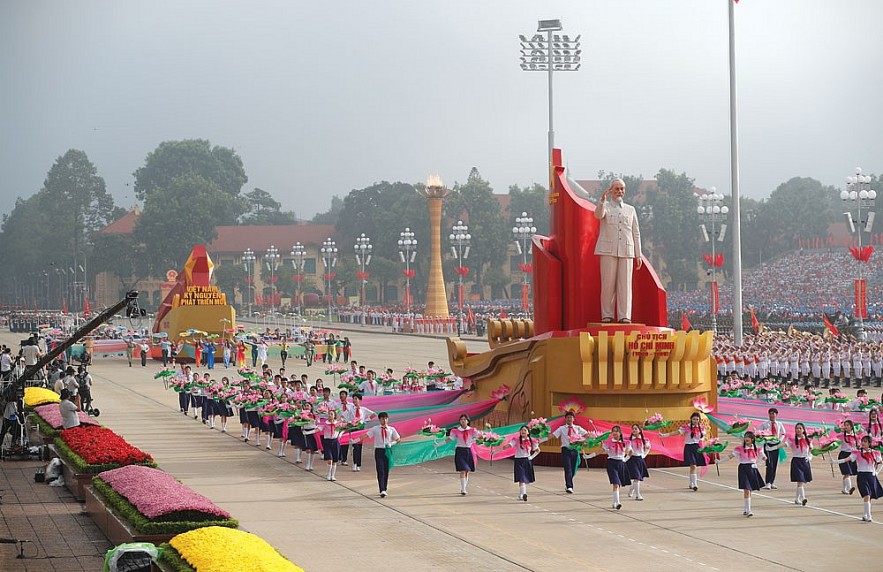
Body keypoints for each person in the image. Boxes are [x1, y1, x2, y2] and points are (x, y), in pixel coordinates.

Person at [593, 178, 642, 323]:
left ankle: (624, 316)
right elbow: (598, 215)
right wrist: (602, 201)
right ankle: (607, 315)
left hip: (627, 250)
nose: (619, 191)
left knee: (625, 285)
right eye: (616, 189)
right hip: (608, 250)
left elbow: (636, 232)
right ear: (611, 190)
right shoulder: (606, 206)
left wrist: (638, 254)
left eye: (622, 189)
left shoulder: (630, 209)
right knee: (608, 284)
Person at [831, 435, 883, 521]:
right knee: (866, 495)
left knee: (869, 496)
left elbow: (880, 463)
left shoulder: (875, 453)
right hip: (861, 476)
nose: (863, 443)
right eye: (862, 441)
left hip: (871, 476)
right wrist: (835, 462)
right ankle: (869, 516)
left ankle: (866, 515)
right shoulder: (857, 452)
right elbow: (847, 459)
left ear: (869, 443)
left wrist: (876, 472)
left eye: (865, 441)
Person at [716, 431, 766, 517]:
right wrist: (720, 461)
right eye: (745, 437)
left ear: (752, 439)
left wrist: (758, 464)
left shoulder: (757, 448)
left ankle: (746, 508)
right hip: (743, 468)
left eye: (748, 437)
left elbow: (765, 458)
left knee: (750, 490)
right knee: (746, 489)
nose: (746, 438)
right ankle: (749, 510)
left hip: (752, 468)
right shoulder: (739, 449)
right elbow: (730, 456)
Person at [351, 411, 400, 497]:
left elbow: (398, 439)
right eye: (382, 419)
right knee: (380, 470)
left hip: (388, 450)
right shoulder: (375, 429)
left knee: (386, 470)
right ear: (379, 420)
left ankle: (385, 487)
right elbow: (365, 435)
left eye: (385, 418)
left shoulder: (391, 429)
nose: (384, 420)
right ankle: (382, 489)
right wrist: (355, 441)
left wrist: (392, 443)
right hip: (379, 450)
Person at [585, 425, 632, 509]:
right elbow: (600, 451)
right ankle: (617, 502)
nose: (614, 432)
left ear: (620, 433)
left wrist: (626, 459)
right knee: (615, 483)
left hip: (621, 463)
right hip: (612, 463)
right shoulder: (608, 442)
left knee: (618, 484)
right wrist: (589, 456)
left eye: (616, 431)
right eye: (613, 431)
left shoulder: (625, 442)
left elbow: (631, 451)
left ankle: (614, 502)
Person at [661, 412, 706, 491]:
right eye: (694, 419)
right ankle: (695, 484)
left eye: (697, 419)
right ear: (691, 419)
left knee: (694, 466)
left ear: (699, 420)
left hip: (697, 447)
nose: (695, 421)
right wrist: (665, 435)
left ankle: (691, 483)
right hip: (689, 447)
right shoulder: (686, 427)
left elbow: (702, 439)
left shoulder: (701, 428)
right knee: (693, 465)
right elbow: (676, 432)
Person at [551, 411, 588, 493]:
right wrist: (541, 438)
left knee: (573, 468)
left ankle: (569, 481)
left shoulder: (578, 428)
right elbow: (553, 435)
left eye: (571, 417)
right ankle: (569, 486)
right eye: (568, 417)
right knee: (567, 468)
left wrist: (582, 441)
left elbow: (586, 434)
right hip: (566, 450)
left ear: (573, 419)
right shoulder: (562, 428)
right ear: (565, 419)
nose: (569, 419)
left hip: (575, 450)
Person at [442, 414, 479, 495]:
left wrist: (476, 440)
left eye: (464, 419)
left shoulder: (473, 430)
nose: (463, 421)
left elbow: (479, 437)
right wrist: (439, 444)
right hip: (460, 451)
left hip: (469, 451)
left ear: (468, 421)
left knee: (467, 470)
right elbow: (450, 439)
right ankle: (463, 489)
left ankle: (464, 487)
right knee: (462, 470)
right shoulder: (456, 431)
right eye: (461, 419)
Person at [507, 425, 539, 501]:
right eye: (522, 430)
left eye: (525, 430)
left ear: (528, 432)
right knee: (521, 478)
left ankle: (522, 494)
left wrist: (531, 457)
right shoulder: (516, 440)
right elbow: (508, 446)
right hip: (518, 460)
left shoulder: (532, 440)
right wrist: (497, 449)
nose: (523, 431)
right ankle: (523, 494)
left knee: (523, 479)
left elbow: (538, 450)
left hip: (526, 460)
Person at [759, 407, 786, 490]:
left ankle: (772, 481)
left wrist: (780, 440)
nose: (771, 415)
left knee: (774, 464)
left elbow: (783, 433)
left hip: (776, 445)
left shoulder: (779, 424)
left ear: (776, 415)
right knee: (769, 464)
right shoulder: (764, 424)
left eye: (773, 414)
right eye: (770, 413)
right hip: (768, 445)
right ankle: (768, 482)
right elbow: (759, 433)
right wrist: (764, 438)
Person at [626, 423, 651, 501]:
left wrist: (644, 455)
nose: (634, 430)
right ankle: (638, 495)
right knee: (636, 477)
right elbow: (629, 449)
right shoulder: (629, 440)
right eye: (633, 428)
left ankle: (632, 488)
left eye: (636, 428)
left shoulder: (645, 440)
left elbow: (648, 448)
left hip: (640, 459)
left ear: (640, 431)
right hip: (632, 459)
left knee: (638, 477)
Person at [838, 419, 859, 495]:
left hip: (852, 455)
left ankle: (844, 489)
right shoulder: (841, 435)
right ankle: (849, 488)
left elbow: (858, 445)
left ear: (851, 427)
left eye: (847, 425)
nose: (846, 426)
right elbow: (833, 440)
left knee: (848, 473)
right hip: (843, 455)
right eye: (845, 425)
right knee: (847, 473)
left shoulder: (855, 436)